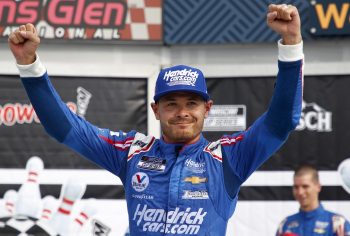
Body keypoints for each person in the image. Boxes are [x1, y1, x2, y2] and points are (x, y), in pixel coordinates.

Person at [8, 4, 303, 235]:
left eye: (191, 103)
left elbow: (280, 123)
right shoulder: (131, 153)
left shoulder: (228, 158)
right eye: (171, 104)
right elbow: (66, 128)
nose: (182, 112)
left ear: (207, 109)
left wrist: (290, 45)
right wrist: (30, 67)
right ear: (155, 110)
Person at [276, 164, 350, 236]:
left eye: (305, 186)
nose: (300, 192)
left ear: (318, 187)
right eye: (296, 187)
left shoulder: (337, 224)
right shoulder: (285, 225)